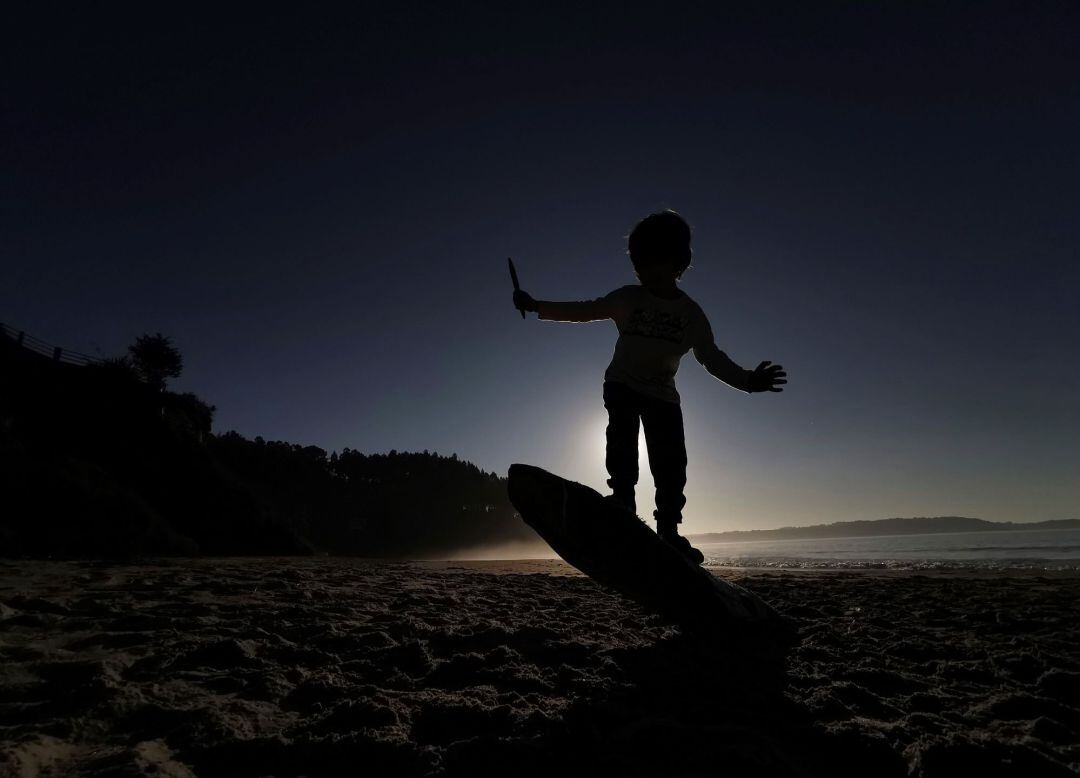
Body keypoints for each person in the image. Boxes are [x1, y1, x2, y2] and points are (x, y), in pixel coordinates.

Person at [512, 210, 786, 564]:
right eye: (638, 263)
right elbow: (586, 310)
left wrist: (749, 380)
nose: (642, 271)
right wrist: (536, 306)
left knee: (672, 464)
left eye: (651, 261)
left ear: (679, 263)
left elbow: (711, 358)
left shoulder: (692, 315)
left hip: (663, 396)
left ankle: (668, 530)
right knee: (621, 443)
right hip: (622, 384)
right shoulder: (628, 297)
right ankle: (623, 502)